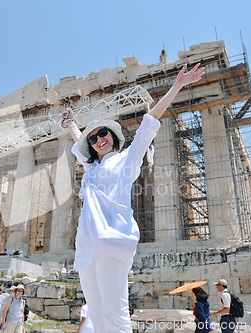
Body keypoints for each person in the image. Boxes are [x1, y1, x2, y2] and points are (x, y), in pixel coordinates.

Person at [61, 63, 205, 332]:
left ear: (113, 137)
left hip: (111, 241)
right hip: (87, 248)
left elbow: (148, 124)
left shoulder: (126, 161)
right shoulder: (91, 168)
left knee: (116, 315)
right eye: (93, 138)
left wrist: (176, 86)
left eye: (103, 133)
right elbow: (80, 144)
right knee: (98, 314)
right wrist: (70, 123)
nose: (98, 139)